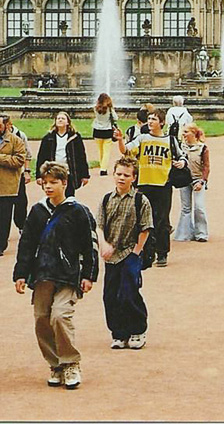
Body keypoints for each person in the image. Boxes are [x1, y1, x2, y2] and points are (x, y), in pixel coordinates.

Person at [13, 161, 99, 389]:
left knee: (60, 316)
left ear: (64, 183)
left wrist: (89, 274)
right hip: (42, 275)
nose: (49, 187)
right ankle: (56, 365)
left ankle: (71, 362)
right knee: (41, 319)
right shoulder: (38, 211)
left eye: (54, 182)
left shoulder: (78, 211)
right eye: (46, 182)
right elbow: (27, 244)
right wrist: (20, 273)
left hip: (69, 275)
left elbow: (90, 245)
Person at [96, 156, 152, 350]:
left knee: (128, 293)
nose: (121, 178)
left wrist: (136, 252)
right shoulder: (106, 199)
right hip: (111, 256)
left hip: (130, 252)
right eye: (118, 174)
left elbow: (145, 228)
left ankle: (137, 330)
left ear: (133, 178)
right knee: (110, 295)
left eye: (126, 175)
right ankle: (119, 333)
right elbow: (100, 225)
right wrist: (103, 244)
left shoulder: (140, 200)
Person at [116, 109, 179, 267]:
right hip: (144, 184)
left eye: (154, 119)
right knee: (143, 220)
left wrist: (182, 163)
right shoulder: (142, 138)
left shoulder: (170, 140)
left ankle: (162, 253)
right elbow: (127, 151)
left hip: (163, 184)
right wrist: (119, 140)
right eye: (149, 119)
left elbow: (180, 156)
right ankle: (147, 252)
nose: (150, 122)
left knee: (162, 220)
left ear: (162, 123)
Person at [36, 112, 90, 198]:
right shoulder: (48, 138)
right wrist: (39, 175)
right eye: (58, 118)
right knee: (54, 195)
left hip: (68, 172)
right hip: (53, 171)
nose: (60, 120)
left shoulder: (75, 138)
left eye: (63, 118)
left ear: (68, 122)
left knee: (69, 196)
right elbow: (41, 156)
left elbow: (81, 156)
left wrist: (85, 175)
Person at [173, 124, 210, 242]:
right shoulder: (180, 147)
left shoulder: (202, 148)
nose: (184, 134)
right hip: (184, 179)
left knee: (199, 207)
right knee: (186, 208)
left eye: (186, 132)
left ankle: (201, 233)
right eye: (183, 132)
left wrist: (202, 181)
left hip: (197, 180)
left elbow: (206, 166)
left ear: (194, 134)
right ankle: (184, 233)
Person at [0, 114, 29, 256]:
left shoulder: (16, 140)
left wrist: (1, 158)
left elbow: (19, 160)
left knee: (4, 217)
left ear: (6, 126)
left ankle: (0, 244)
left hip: (7, 186)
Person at [91, 93, 119, 176]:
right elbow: (116, 118)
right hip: (107, 131)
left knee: (100, 151)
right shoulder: (109, 109)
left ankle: (102, 166)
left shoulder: (95, 108)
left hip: (97, 131)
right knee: (106, 151)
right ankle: (103, 169)